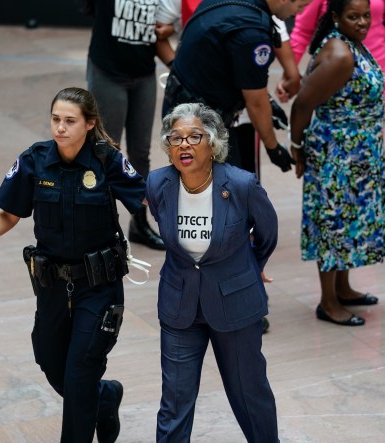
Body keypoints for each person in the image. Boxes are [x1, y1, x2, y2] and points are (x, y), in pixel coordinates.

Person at [0, 87, 146, 442]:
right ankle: (105, 399)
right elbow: (9, 214)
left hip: (99, 286)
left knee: (79, 373)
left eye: (70, 121)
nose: (60, 128)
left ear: (89, 124)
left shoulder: (108, 161)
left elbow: (147, 200)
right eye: (56, 119)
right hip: (53, 285)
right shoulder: (35, 160)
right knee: (50, 361)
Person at [145, 103, 280, 442]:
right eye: (175, 138)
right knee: (174, 401)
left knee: (249, 393)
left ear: (214, 143)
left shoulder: (241, 185)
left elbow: (267, 233)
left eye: (194, 137)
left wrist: (252, 265)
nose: (183, 145)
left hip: (235, 303)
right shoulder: (158, 183)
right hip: (180, 305)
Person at [289, 0, 385, 327]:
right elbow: (303, 103)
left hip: (357, 152)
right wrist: (297, 146)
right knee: (334, 225)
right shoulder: (340, 56)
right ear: (336, 17)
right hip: (339, 155)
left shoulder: (351, 44)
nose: (362, 22)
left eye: (366, 15)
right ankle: (328, 302)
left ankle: (344, 288)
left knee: (348, 223)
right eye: (353, 16)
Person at [161, 0, 313, 173]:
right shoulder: (251, 31)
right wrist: (273, 148)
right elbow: (256, 103)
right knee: (224, 192)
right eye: (300, 6)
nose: (298, 13)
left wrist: (267, 101)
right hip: (199, 123)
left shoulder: (242, 8)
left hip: (186, 109)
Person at [87, 0, 170, 250]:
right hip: (108, 72)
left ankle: (139, 224)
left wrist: (169, 29)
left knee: (141, 153)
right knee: (105, 152)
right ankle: (100, 227)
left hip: (143, 73)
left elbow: (166, 22)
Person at [289, 0, 385, 104]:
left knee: (372, 124)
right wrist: (289, 74)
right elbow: (302, 32)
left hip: (373, 71)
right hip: (330, 70)